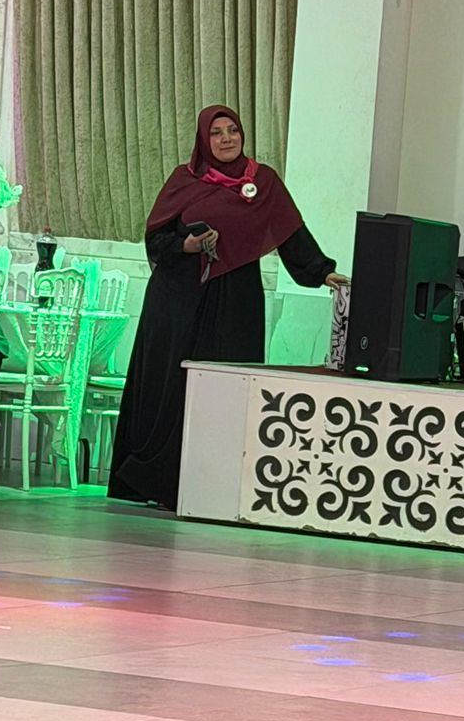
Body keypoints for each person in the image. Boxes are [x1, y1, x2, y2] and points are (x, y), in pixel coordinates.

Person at [108, 105, 347, 509]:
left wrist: (323, 272)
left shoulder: (263, 181)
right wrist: (187, 245)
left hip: (237, 299)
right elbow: (156, 241)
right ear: (204, 139)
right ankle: (157, 482)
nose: (225, 139)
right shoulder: (184, 180)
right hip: (179, 300)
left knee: (228, 386)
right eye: (216, 133)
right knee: (173, 385)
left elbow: (292, 233)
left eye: (232, 130)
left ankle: (215, 484)